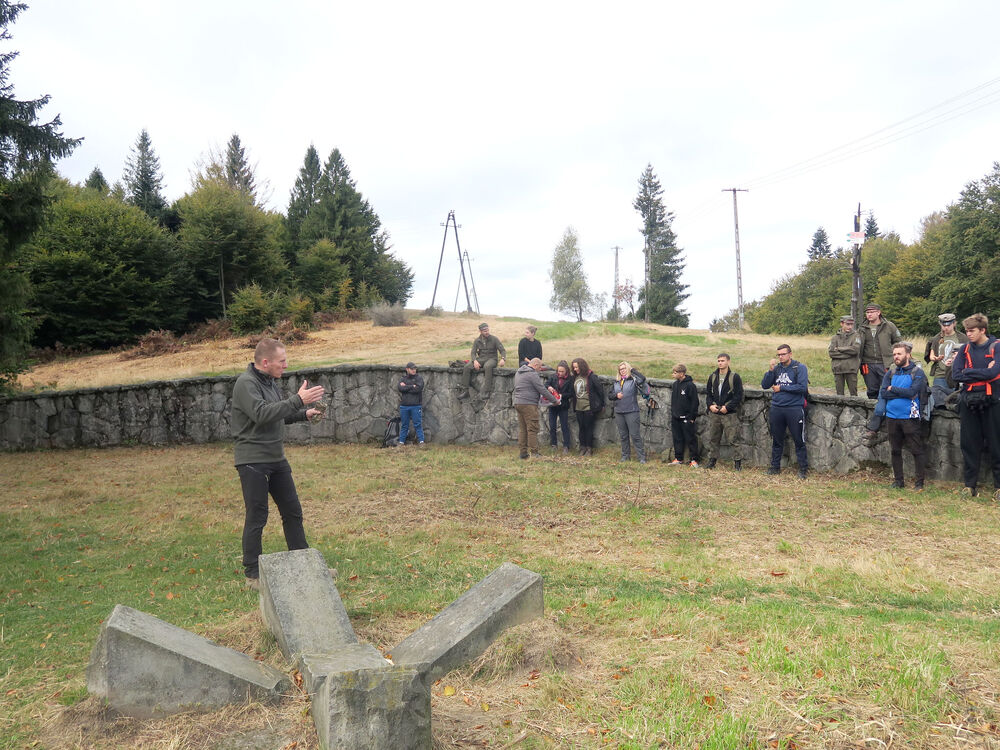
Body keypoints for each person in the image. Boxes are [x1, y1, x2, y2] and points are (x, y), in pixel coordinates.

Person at [231, 338, 325, 590]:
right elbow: (262, 414)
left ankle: (303, 563)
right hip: (253, 461)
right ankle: (253, 575)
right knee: (257, 516)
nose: (285, 365)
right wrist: (298, 400)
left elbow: (277, 412)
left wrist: (302, 413)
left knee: (292, 511)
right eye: (281, 361)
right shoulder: (246, 383)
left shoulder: (269, 382)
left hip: (276, 459)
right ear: (265, 362)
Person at [951, 313, 1000, 499]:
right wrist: (984, 372)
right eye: (966, 331)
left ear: (983, 330)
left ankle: (999, 486)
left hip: (993, 400)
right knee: (969, 444)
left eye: (972, 331)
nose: (968, 334)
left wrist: (969, 372)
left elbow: (995, 373)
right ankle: (969, 485)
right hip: (969, 401)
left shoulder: (996, 347)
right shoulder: (964, 349)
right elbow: (956, 375)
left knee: (996, 443)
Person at [879, 342, 927, 490]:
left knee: (916, 450)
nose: (896, 357)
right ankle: (898, 481)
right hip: (892, 417)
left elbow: (912, 393)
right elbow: (883, 393)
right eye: (894, 354)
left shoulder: (917, 372)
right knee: (895, 450)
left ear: (908, 354)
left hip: (910, 417)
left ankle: (919, 483)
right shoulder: (891, 372)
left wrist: (893, 388)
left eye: (899, 354)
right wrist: (900, 393)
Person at [761, 344, 809, 478]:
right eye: (779, 355)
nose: (781, 357)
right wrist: (770, 371)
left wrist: (782, 388)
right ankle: (775, 467)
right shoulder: (777, 369)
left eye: (783, 354)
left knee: (798, 440)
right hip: (777, 408)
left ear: (790, 354)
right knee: (777, 439)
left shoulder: (799, 368)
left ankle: (803, 469)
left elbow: (802, 387)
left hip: (794, 408)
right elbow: (765, 385)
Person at [704, 353, 744, 470]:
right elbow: (708, 393)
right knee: (713, 438)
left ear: (728, 362)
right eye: (718, 361)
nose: (720, 363)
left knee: (733, 439)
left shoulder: (734, 377)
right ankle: (712, 461)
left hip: (729, 414)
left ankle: (737, 463)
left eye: (722, 361)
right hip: (715, 413)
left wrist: (728, 407)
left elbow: (738, 396)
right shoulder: (713, 376)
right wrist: (710, 405)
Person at [513, 358, 558, 458]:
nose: (540, 369)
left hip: (518, 403)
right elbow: (542, 389)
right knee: (532, 429)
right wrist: (554, 400)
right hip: (529, 404)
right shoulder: (532, 374)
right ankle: (534, 453)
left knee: (523, 429)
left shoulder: (519, 372)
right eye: (540, 366)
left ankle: (523, 453)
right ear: (536, 365)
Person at [859, 303, 902, 398]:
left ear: (878, 312)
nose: (869, 314)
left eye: (872, 312)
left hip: (885, 363)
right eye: (867, 312)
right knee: (871, 390)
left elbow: (898, 342)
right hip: (867, 364)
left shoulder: (889, 326)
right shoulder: (862, 328)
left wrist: (892, 352)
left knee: (887, 387)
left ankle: (887, 410)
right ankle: (873, 410)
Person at [924, 312, 967, 410]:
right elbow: (931, 355)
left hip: (956, 374)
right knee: (939, 402)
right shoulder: (936, 338)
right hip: (940, 374)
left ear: (954, 323)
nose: (946, 328)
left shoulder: (963, 338)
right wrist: (935, 358)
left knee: (955, 400)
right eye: (943, 325)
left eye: (949, 325)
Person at [611, 361, 647, 463]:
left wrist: (632, 370)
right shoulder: (616, 382)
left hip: (631, 411)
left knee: (635, 435)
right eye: (620, 369)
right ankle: (625, 456)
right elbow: (610, 395)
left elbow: (643, 379)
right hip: (619, 412)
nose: (622, 371)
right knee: (623, 436)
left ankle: (641, 457)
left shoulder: (634, 380)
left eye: (624, 368)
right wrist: (616, 396)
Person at [459, 323, 506, 400]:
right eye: (484, 331)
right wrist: (474, 361)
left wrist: (503, 359)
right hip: (481, 359)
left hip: (492, 359)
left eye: (487, 330)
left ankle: (486, 391)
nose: (487, 332)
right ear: (480, 331)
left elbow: (502, 350)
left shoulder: (494, 339)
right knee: (467, 367)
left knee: (487, 366)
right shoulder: (477, 341)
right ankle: (465, 390)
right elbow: (473, 353)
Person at [569, 357, 604, 456]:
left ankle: (589, 448)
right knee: (581, 428)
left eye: (576, 367)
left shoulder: (591, 376)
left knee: (588, 428)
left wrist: (601, 404)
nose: (575, 369)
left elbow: (600, 391)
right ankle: (582, 447)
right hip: (578, 407)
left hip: (589, 407)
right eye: (574, 367)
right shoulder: (575, 377)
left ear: (581, 366)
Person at [667, 364, 700, 466]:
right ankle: (678, 458)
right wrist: (673, 413)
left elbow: (695, 402)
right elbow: (674, 401)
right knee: (677, 438)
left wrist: (692, 417)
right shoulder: (675, 384)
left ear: (681, 374)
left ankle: (694, 460)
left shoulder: (690, 386)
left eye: (675, 373)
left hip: (686, 418)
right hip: (676, 417)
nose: (673, 374)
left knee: (690, 439)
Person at [828, 315, 862, 396]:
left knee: (853, 394)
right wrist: (848, 354)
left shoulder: (856, 336)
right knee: (839, 394)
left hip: (851, 369)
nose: (850, 327)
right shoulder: (835, 338)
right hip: (838, 369)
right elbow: (831, 353)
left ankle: (854, 408)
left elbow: (855, 350)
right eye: (847, 324)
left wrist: (839, 349)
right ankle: (840, 408)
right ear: (842, 324)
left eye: (851, 324)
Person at [546, 360, 574, 454]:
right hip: (553, 405)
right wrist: (549, 387)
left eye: (562, 371)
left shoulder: (570, 379)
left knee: (564, 426)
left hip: (563, 405)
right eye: (559, 371)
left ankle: (566, 446)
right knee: (552, 425)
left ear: (566, 371)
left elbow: (571, 393)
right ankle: (553, 444)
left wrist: (562, 396)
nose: (560, 373)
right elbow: (546, 384)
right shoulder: (553, 377)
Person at [397, 362, 425, 447]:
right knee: (404, 425)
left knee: (418, 424)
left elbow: (418, 389)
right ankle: (401, 442)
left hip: (416, 405)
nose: (414, 370)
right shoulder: (403, 379)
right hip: (404, 406)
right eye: (412, 369)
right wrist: (412, 386)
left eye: (415, 368)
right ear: (407, 369)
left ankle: (421, 442)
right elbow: (400, 388)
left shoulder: (419, 378)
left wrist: (407, 386)